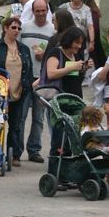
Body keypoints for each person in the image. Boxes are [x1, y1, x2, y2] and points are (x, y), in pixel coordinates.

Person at [0, 17, 33, 166]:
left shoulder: (24, 49)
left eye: (19, 28)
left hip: (19, 91)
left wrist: (30, 85)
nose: (17, 31)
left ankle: (15, 155)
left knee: (16, 124)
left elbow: (29, 69)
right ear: (5, 28)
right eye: (13, 28)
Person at [42, 26, 86, 175]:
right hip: (59, 103)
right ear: (69, 40)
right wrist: (72, 67)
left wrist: (83, 69)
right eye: (77, 43)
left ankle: (67, 174)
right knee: (59, 139)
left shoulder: (76, 55)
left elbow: (75, 79)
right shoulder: (56, 52)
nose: (79, 46)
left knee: (71, 141)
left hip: (73, 102)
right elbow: (51, 73)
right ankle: (54, 175)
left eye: (81, 44)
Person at [20, 0, 55, 163]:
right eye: (37, 11)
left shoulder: (52, 30)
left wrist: (45, 55)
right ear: (32, 11)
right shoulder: (24, 27)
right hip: (25, 78)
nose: (40, 14)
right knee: (21, 116)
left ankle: (34, 150)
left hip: (42, 78)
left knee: (38, 118)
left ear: (47, 10)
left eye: (43, 10)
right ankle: (17, 151)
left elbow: (55, 55)